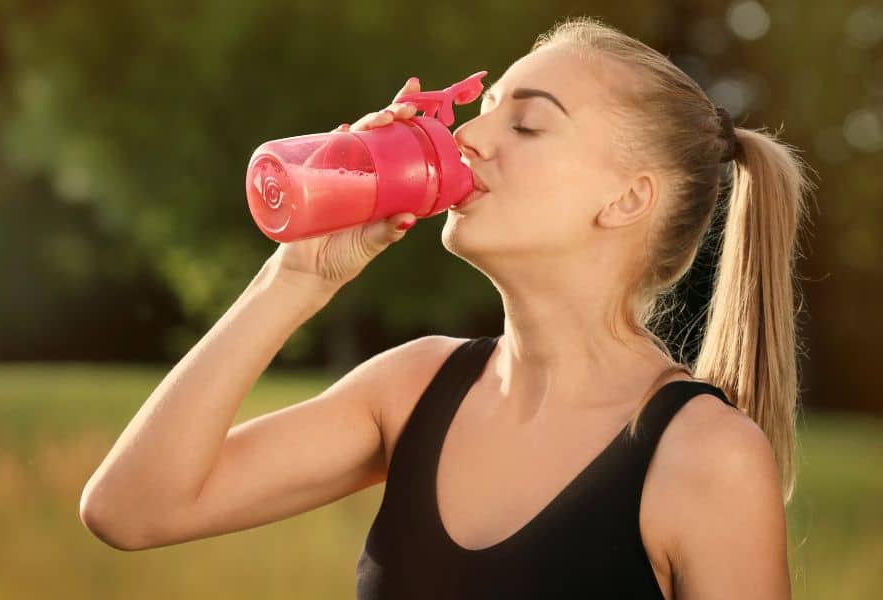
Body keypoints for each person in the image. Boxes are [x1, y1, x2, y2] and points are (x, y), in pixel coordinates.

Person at [79, 15, 813, 599]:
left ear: (627, 200)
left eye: (525, 125)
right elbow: (131, 510)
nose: (467, 136)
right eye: (483, 111)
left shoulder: (704, 458)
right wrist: (297, 274)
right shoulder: (412, 389)